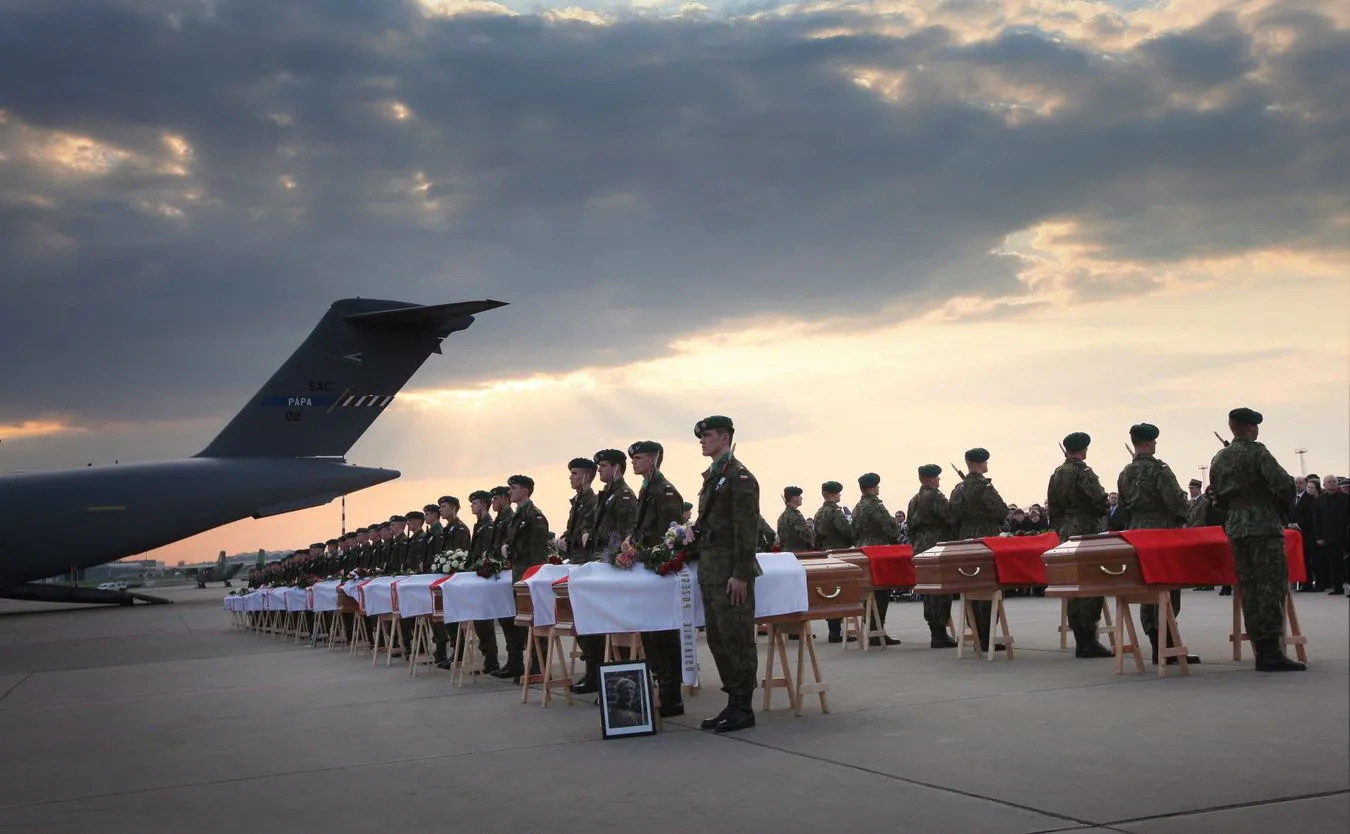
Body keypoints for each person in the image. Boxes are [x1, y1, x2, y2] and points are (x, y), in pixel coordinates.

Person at [1209, 407, 1304, 671]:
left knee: (1249, 587)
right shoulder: (1258, 452)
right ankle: (1271, 652)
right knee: (1271, 585)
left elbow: (1217, 496)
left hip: (1236, 527)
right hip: (1262, 524)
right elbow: (1284, 484)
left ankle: (1261, 648)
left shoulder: (1219, 458)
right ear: (1250, 427)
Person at [692, 415, 760, 734]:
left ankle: (744, 707)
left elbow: (746, 531)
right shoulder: (715, 475)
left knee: (737, 638)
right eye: (701, 436)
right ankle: (733, 701)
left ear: (724, 437)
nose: (702, 441)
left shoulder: (739, 477)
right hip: (712, 571)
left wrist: (741, 573)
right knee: (719, 639)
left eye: (707, 435)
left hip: (731, 573)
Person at [1116, 423, 1200, 665]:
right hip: (1162, 533)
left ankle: (1156, 645)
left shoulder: (1125, 473)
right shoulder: (1160, 469)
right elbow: (1175, 501)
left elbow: (1122, 507)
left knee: (1147, 589)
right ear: (1150, 443)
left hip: (1137, 534)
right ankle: (1168, 646)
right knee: (1167, 587)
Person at [627, 440, 686, 717]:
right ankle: (662, 688)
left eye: (638, 458)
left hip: (660, 570)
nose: (634, 462)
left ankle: (672, 696)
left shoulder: (665, 492)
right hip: (647, 570)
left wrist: (645, 553)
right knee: (650, 633)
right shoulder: (647, 489)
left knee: (662, 633)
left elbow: (669, 537)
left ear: (653, 459)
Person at [573, 449, 638, 694]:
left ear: (617, 468)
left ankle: (615, 677)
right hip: (600, 565)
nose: (599, 469)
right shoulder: (608, 495)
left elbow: (624, 534)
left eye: (603, 466)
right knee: (591, 623)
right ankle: (594, 673)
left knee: (612, 628)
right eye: (598, 466)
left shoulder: (622, 495)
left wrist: (610, 557)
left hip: (614, 568)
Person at [1046, 433, 1113, 658]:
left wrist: (1062, 527)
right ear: (1083, 450)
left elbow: (1052, 508)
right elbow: (1100, 500)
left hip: (1066, 530)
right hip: (1086, 529)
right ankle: (1089, 639)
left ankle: (1080, 640)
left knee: (1072, 586)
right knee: (1090, 584)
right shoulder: (1083, 472)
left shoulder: (1057, 474)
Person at [949, 448, 1008, 652]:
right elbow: (1001, 510)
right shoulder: (984, 487)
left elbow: (952, 517)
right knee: (989, 586)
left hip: (966, 540)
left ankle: (976, 632)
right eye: (985, 463)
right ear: (979, 464)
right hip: (986, 539)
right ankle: (987, 636)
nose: (987, 466)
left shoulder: (958, 488)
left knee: (971, 587)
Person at [502, 475, 550, 684]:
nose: (510, 492)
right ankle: (530, 664)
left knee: (535, 622)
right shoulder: (518, 515)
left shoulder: (534, 516)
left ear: (525, 490)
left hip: (530, 576)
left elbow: (538, 552)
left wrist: (533, 578)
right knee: (524, 623)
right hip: (519, 575)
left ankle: (539, 666)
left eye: (513, 488)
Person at [907, 464, 958, 648]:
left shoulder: (914, 500)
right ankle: (940, 633)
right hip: (936, 545)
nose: (938, 480)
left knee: (928, 590)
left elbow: (909, 527)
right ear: (930, 479)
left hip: (920, 546)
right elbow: (950, 516)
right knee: (941, 591)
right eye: (937, 477)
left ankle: (935, 631)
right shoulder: (935, 496)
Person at [850, 472, 903, 646]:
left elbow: (853, 531)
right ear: (872, 488)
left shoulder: (857, 507)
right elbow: (890, 526)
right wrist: (895, 536)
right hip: (878, 551)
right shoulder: (875, 505)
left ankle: (872, 628)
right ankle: (877, 630)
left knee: (868, 592)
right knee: (881, 590)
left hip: (863, 549)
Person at [813, 480, 855, 643]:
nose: (839, 496)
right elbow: (846, 531)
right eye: (838, 493)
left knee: (829, 591)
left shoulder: (819, 513)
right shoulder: (835, 512)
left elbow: (816, 535)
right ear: (832, 495)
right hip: (839, 552)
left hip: (825, 553)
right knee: (839, 591)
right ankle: (836, 633)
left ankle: (834, 630)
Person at [776, 487, 814, 552]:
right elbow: (806, 534)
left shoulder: (781, 517)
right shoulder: (796, 515)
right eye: (799, 496)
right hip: (799, 554)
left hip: (787, 554)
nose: (801, 498)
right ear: (794, 498)